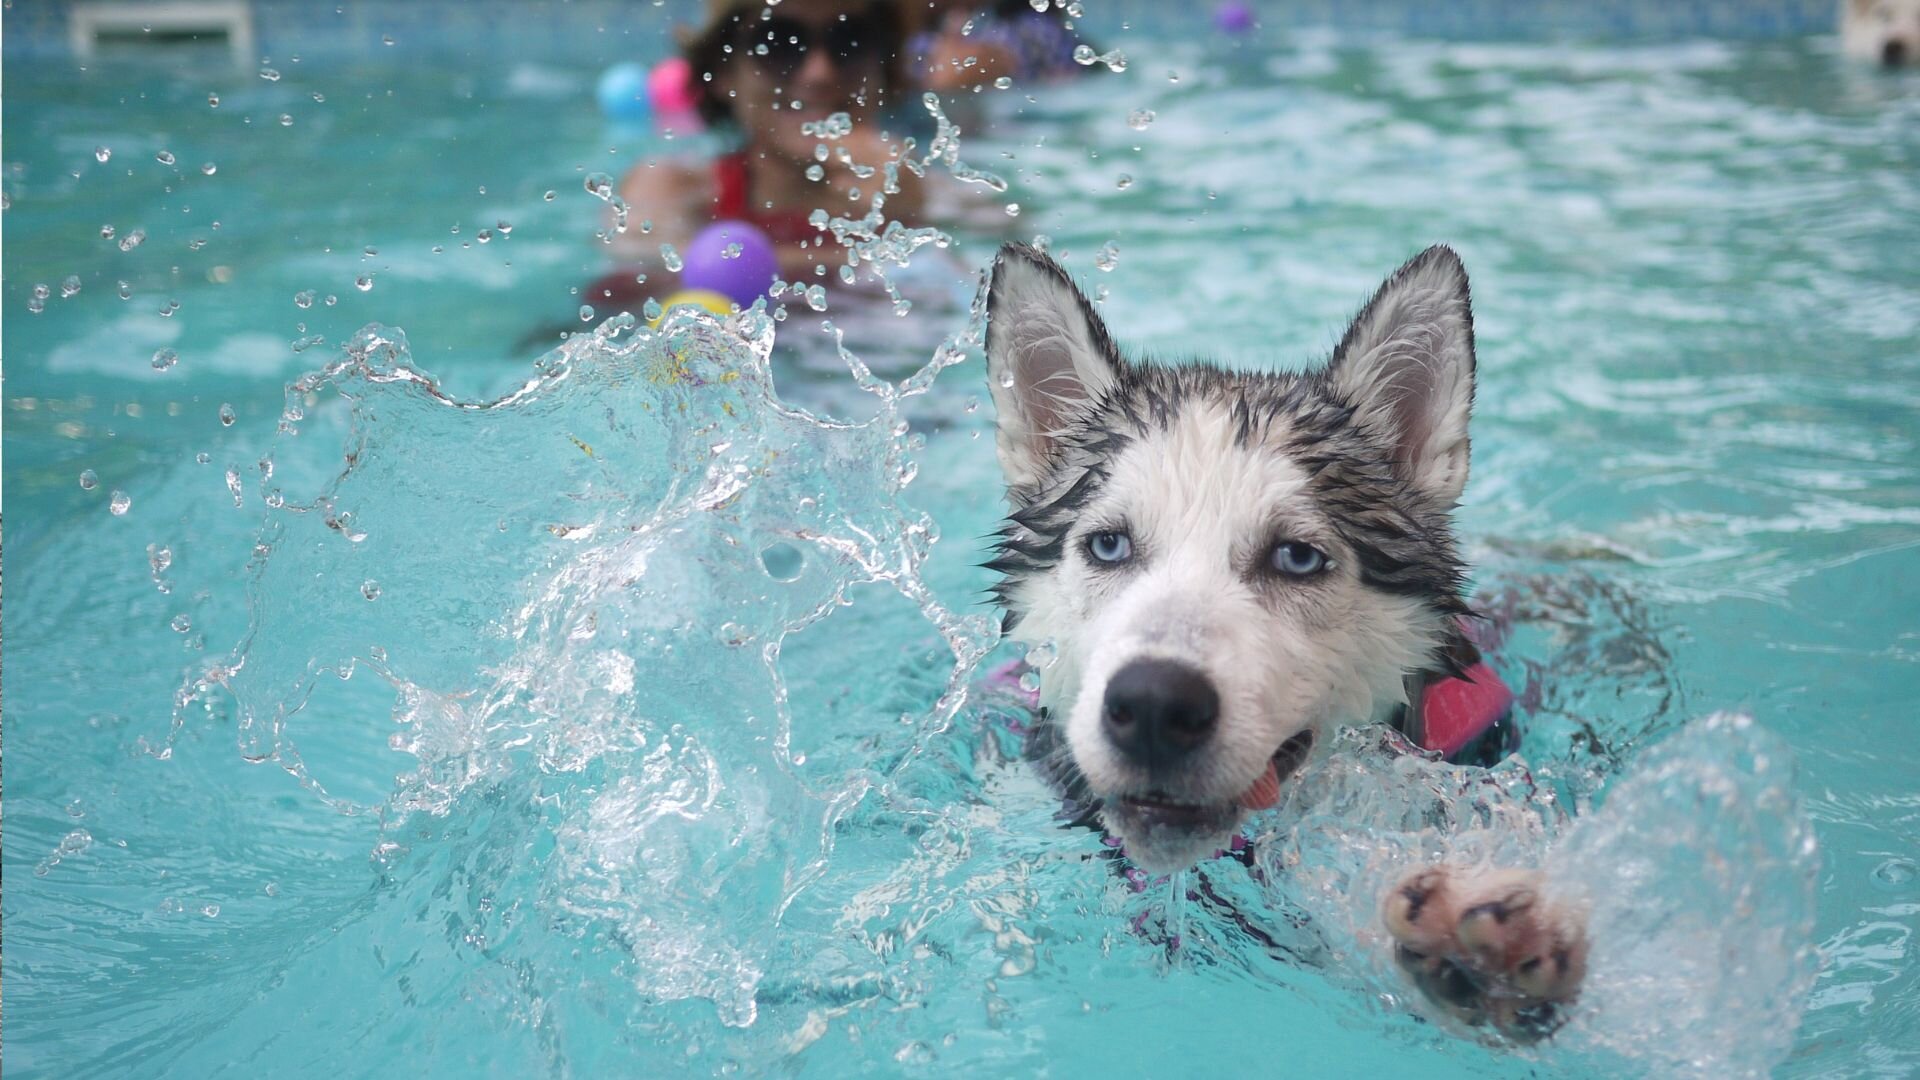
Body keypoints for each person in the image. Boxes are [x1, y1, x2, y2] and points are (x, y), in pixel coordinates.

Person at [590, 0, 927, 313]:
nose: (819, 73)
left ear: (884, 66)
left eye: (851, 40)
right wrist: (891, 254)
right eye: (780, 43)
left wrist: (910, 217)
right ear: (723, 72)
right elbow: (635, 285)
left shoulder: (926, 196)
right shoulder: (676, 191)